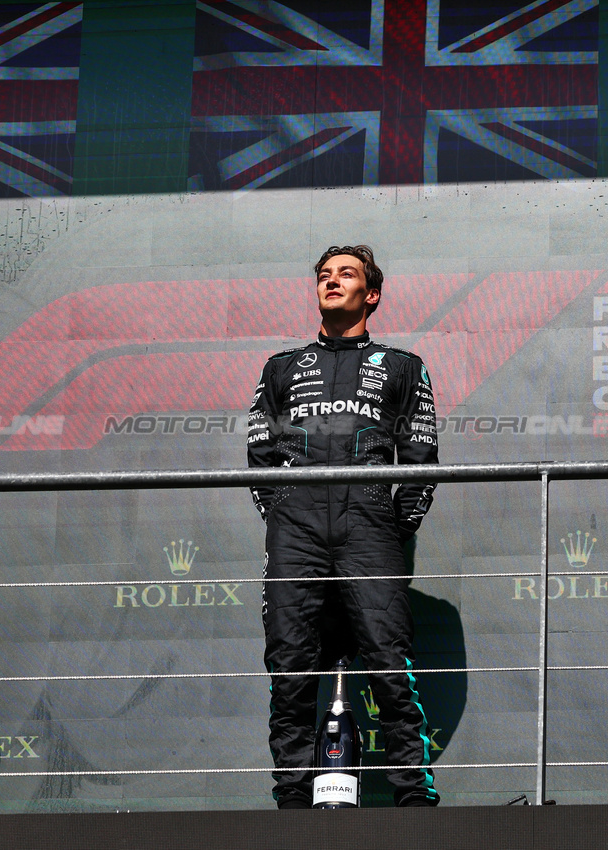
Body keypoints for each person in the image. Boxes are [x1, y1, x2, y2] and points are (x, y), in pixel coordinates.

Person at [247, 245, 440, 808]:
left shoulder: (403, 366)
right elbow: (258, 457)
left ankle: (412, 797)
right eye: (325, 276)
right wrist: (286, 511)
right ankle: (292, 797)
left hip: (369, 523)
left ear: (371, 294)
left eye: (346, 274)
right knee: (288, 662)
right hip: (296, 525)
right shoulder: (281, 367)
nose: (332, 282)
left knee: (388, 660)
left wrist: (384, 522)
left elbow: (424, 461)